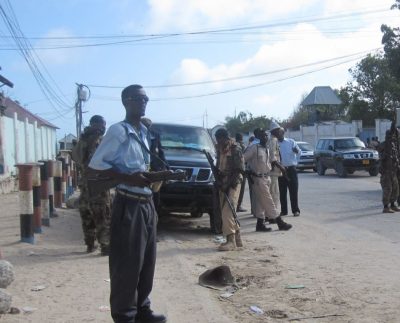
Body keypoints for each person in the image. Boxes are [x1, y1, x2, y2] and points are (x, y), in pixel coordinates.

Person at [89, 85, 166, 323]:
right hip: (128, 203)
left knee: (146, 263)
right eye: (138, 99)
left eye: (146, 99)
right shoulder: (118, 131)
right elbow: (97, 165)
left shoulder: (143, 131)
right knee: (127, 267)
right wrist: (128, 177)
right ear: (126, 102)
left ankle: (142, 310)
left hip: (146, 203)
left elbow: (140, 167)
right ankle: (125, 316)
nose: (143, 103)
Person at [71, 115, 111, 256]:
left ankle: (90, 244)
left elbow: (76, 158)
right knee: (102, 217)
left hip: (85, 186)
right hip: (98, 186)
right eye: (102, 125)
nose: (104, 127)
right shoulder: (98, 140)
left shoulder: (82, 139)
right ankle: (105, 246)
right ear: (96, 125)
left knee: (87, 216)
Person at [244, 129, 292, 232]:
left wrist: (282, 168)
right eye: (263, 136)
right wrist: (247, 171)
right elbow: (242, 160)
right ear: (259, 137)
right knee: (269, 201)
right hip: (258, 178)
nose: (265, 137)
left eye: (266, 136)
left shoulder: (267, 149)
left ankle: (260, 224)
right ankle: (280, 222)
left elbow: (272, 160)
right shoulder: (253, 148)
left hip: (267, 177)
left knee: (262, 203)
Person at [215, 128, 244, 251]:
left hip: (234, 182)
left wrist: (228, 185)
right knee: (229, 210)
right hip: (223, 182)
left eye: (219, 139)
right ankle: (237, 238)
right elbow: (219, 166)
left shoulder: (235, 149)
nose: (218, 142)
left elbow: (238, 170)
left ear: (225, 138)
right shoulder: (220, 149)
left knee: (227, 210)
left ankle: (230, 240)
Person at [276, 127, 301, 216]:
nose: (279, 135)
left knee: (293, 190)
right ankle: (284, 211)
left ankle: (295, 210)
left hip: (291, 169)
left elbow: (299, 152)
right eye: (277, 133)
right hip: (280, 169)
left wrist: (297, 151)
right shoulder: (275, 144)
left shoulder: (291, 141)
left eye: (280, 133)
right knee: (282, 191)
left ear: (283, 133)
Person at [378, 127, 400, 213]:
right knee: (388, 189)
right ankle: (385, 207)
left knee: (396, 188)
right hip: (386, 171)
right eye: (391, 136)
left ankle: (393, 205)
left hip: (393, 171)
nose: (393, 137)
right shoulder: (383, 145)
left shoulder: (394, 146)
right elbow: (381, 157)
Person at [235, 133, 247, 213]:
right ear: (242, 138)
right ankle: (238, 206)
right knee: (241, 189)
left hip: (234, 170)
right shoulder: (243, 146)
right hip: (242, 169)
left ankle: (235, 205)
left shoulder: (234, 145)